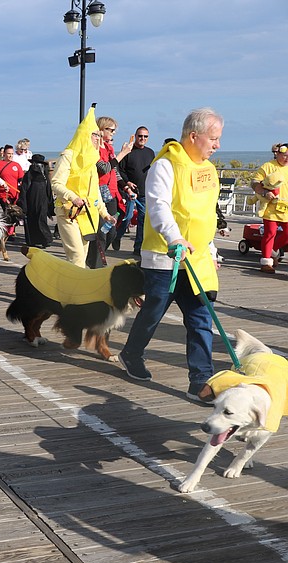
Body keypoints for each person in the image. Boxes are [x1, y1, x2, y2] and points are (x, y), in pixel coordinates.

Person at [118, 107, 224, 402]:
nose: (217, 145)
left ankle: (200, 380)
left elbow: (205, 216)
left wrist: (211, 248)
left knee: (201, 319)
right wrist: (174, 238)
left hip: (198, 259)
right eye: (213, 139)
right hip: (166, 257)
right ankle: (131, 353)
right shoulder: (164, 165)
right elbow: (158, 206)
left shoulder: (208, 170)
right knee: (153, 313)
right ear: (194, 136)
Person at [51, 107, 115, 268]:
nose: (99, 139)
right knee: (77, 256)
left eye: (100, 136)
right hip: (68, 212)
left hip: (88, 214)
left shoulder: (92, 159)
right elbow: (56, 183)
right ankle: (74, 291)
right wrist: (73, 197)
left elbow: (94, 192)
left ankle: (73, 287)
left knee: (82, 256)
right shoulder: (68, 155)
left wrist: (105, 214)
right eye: (96, 135)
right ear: (86, 136)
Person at [88, 116, 134, 267]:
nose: (114, 133)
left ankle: (95, 257)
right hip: (99, 193)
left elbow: (114, 171)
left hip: (112, 193)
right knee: (101, 231)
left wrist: (125, 186)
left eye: (115, 130)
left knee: (111, 232)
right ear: (101, 129)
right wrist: (123, 154)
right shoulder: (94, 149)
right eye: (111, 130)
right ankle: (96, 264)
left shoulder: (109, 148)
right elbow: (104, 168)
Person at [249, 142, 288, 273]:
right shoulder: (268, 166)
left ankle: (272, 251)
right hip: (271, 207)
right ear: (278, 154)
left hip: (286, 208)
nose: (286, 158)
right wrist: (265, 192)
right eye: (284, 155)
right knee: (270, 233)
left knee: (287, 234)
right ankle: (266, 262)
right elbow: (254, 182)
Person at [117, 126, 155, 255]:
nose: (142, 138)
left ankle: (138, 247)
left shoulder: (150, 153)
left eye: (145, 136)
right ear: (135, 136)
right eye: (140, 136)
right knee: (127, 217)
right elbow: (119, 170)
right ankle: (117, 236)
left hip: (144, 192)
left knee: (142, 220)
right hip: (129, 191)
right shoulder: (128, 151)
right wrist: (127, 183)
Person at [20, 153, 54, 248]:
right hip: (31, 200)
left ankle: (46, 239)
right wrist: (23, 204)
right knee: (31, 220)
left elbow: (49, 190)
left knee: (40, 219)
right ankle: (33, 240)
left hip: (42, 200)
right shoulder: (29, 175)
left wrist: (50, 204)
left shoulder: (44, 176)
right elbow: (24, 189)